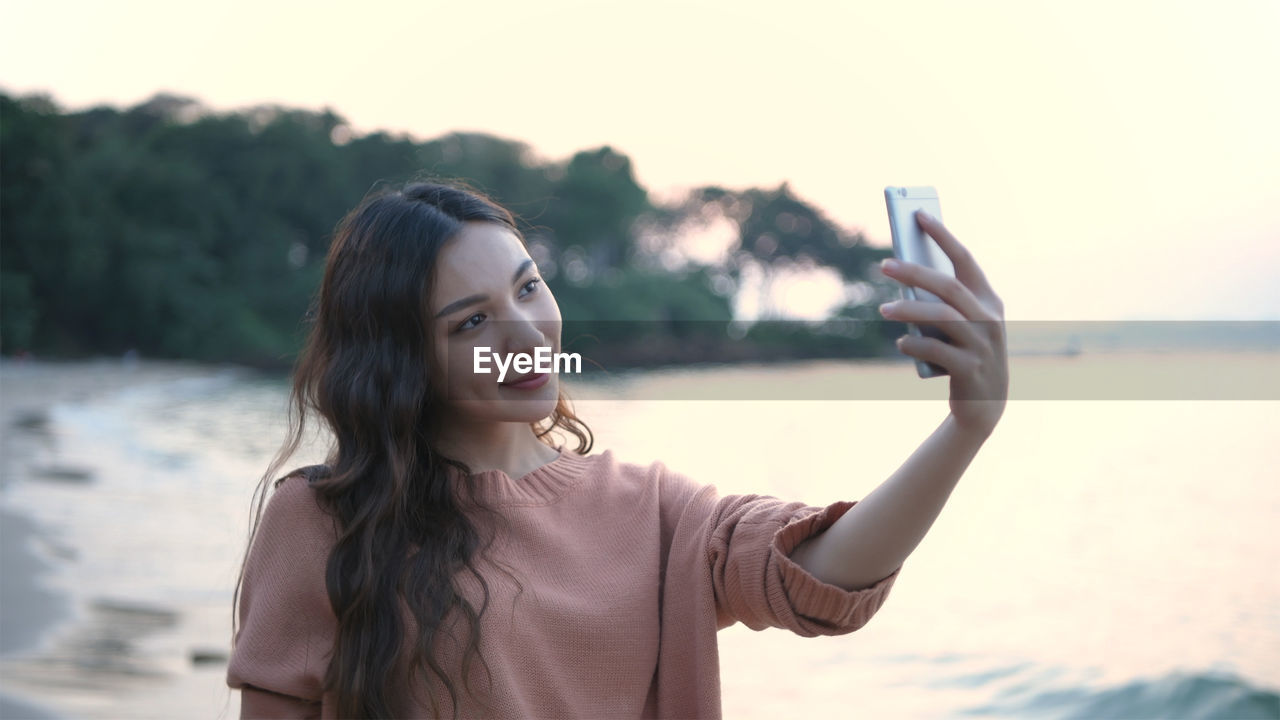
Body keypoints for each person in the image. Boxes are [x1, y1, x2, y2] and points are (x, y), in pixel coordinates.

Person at [225, 180, 1009, 719]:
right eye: (472, 322)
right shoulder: (323, 521)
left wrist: (964, 428)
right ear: (403, 357)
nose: (527, 336)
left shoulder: (650, 511)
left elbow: (816, 573)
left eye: (529, 288)